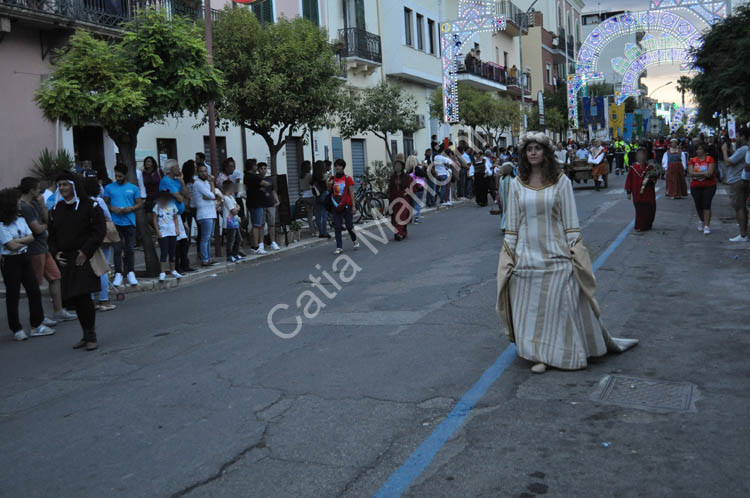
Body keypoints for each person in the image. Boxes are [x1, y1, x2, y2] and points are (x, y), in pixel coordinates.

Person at [496, 132, 638, 373]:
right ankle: (538, 354)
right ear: (523, 154)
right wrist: (508, 257)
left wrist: (576, 252)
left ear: (546, 152)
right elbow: (512, 226)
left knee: (560, 302)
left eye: (537, 148)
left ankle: (562, 351)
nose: (533, 152)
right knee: (530, 307)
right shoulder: (518, 185)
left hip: (556, 252)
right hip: (526, 255)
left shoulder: (561, 182)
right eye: (529, 148)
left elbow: (570, 223)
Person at [48, 171, 106, 350]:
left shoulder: (90, 206)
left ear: (74, 186)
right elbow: (52, 236)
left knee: (83, 297)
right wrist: (55, 252)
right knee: (74, 298)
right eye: (60, 185)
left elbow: (99, 231)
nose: (62, 188)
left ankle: (91, 335)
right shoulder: (56, 209)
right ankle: (85, 333)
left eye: (65, 184)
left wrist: (85, 251)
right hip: (66, 259)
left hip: (84, 257)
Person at [18, 177, 77, 322]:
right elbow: (37, 228)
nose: (40, 191)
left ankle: (59, 311)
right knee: (35, 284)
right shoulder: (23, 207)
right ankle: (39, 316)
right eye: (38, 188)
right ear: (32, 190)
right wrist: (46, 226)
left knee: (55, 277)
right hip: (34, 250)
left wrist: (43, 206)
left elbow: (47, 219)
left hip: (44, 248)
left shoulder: (35, 203)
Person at [0, 188, 57, 341]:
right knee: (13, 295)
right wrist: (16, 242)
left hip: (25, 257)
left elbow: (31, 237)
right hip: (10, 262)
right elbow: (10, 247)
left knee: (34, 290)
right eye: (17, 201)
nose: (20, 203)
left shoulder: (20, 220)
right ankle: (16, 328)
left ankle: (36, 324)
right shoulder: (2, 225)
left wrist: (16, 241)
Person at [103, 163, 142, 287]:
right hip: (115, 223)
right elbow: (104, 204)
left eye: (120, 176)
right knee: (117, 249)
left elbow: (140, 203)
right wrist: (112, 208)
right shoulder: (109, 188)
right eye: (116, 176)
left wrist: (130, 208)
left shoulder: (134, 188)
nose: (118, 178)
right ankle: (118, 273)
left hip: (130, 222)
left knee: (130, 249)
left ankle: (130, 272)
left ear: (125, 175)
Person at [82, 176, 116, 312]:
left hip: (87, 239)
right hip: (102, 237)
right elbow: (108, 217)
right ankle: (104, 300)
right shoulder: (99, 201)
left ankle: (91, 300)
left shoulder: (82, 203)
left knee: (90, 268)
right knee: (103, 267)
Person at [159, 160, 193, 273]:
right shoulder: (166, 181)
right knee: (176, 242)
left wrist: (182, 183)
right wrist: (182, 195)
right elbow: (179, 198)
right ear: (171, 169)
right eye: (177, 167)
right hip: (169, 215)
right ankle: (177, 266)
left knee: (184, 240)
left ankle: (185, 264)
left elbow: (187, 195)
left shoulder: (177, 181)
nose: (179, 169)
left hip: (179, 214)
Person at [722, 128, 750, 242]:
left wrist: (724, 151)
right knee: (741, 207)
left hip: (737, 181)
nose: (736, 138)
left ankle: (742, 234)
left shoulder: (744, 148)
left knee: (739, 207)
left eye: (738, 136)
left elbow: (728, 162)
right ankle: (744, 232)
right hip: (740, 180)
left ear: (743, 137)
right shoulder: (744, 149)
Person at [328, 159, 359, 254]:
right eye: (336, 165)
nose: (338, 167)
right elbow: (329, 191)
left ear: (343, 167)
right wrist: (329, 185)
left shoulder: (347, 179)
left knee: (349, 226)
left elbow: (351, 193)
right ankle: (339, 247)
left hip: (346, 205)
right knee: (337, 226)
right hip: (336, 205)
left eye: (340, 166)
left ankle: (354, 240)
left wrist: (353, 206)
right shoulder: (332, 179)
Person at [625, 147, 658, 232]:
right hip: (636, 192)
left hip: (648, 191)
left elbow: (654, 178)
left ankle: (647, 224)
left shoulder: (649, 167)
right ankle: (639, 225)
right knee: (639, 209)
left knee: (649, 208)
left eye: (642, 154)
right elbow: (629, 180)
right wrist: (629, 191)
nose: (640, 156)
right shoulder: (633, 167)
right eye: (639, 154)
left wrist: (650, 179)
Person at [151, 190, 182, 281]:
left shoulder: (172, 205)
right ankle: (162, 272)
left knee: (172, 251)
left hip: (172, 231)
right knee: (164, 251)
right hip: (163, 232)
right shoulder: (157, 207)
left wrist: (177, 229)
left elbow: (175, 218)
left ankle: (173, 270)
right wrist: (157, 231)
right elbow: (154, 220)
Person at [688, 143, 717, 235]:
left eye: (700, 149)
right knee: (698, 204)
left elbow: (710, 173)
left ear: (704, 150)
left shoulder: (710, 159)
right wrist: (703, 173)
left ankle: (707, 226)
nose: (698, 151)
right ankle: (702, 220)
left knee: (706, 204)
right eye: (697, 149)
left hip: (709, 185)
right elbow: (690, 172)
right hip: (695, 186)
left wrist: (697, 174)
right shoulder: (693, 160)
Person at [192, 163, 217, 266]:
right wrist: (212, 185)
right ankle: (204, 258)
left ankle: (208, 257)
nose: (204, 173)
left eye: (205, 171)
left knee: (209, 237)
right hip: (204, 214)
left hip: (211, 212)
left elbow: (214, 195)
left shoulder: (206, 183)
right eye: (201, 171)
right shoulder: (197, 183)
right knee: (205, 238)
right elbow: (211, 195)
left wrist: (212, 194)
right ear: (198, 173)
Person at [244, 160, 269, 255]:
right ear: (252, 167)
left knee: (255, 224)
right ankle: (256, 246)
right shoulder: (254, 176)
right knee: (257, 225)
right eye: (255, 165)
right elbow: (266, 184)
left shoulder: (246, 176)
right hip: (256, 203)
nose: (257, 168)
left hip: (251, 202)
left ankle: (255, 245)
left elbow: (255, 187)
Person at [388, 154, 414, 241]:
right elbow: (390, 189)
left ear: (402, 167)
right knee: (395, 217)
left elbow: (414, 186)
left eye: (399, 165)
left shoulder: (407, 177)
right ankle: (402, 232)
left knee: (402, 216)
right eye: (396, 165)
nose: (397, 167)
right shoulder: (392, 177)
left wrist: (408, 192)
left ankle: (399, 233)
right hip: (395, 199)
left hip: (404, 199)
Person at [257, 162, 281, 252]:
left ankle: (273, 242)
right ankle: (261, 243)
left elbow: (273, 191)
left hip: (270, 204)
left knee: (272, 224)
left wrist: (277, 200)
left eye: (265, 168)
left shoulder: (270, 179)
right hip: (261, 205)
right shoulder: (257, 179)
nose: (263, 170)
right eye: (261, 168)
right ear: (258, 170)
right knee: (261, 225)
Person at [221, 180, 242, 262]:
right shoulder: (226, 198)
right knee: (231, 239)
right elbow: (234, 211)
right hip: (229, 222)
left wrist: (236, 208)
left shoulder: (231, 197)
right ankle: (229, 255)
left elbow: (238, 206)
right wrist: (236, 208)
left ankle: (235, 254)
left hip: (235, 221)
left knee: (238, 239)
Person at [312, 161, 331, 239]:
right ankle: (325, 232)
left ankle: (320, 233)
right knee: (324, 215)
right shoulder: (324, 175)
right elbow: (327, 185)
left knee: (318, 215)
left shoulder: (314, 176)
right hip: (324, 194)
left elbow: (311, 185)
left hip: (317, 196)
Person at [299, 161, 317, 235]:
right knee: (317, 212)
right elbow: (313, 185)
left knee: (309, 215)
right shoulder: (310, 176)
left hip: (304, 196)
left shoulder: (301, 176)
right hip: (311, 196)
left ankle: (312, 231)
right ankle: (317, 229)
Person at [408, 155, 426, 224]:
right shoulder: (417, 168)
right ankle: (416, 218)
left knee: (412, 203)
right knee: (417, 203)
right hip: (419, 187)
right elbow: (423, 174)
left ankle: (410, 218)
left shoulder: (408, 170)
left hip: (411, 188)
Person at [496, 162, 514, 232]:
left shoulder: (501, 178)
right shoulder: (513, 179)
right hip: (510, 198)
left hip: (503, 197)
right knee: (509, 212)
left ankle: (504, 225)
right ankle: (505, 225)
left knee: (505, 211)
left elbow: (499, 189)